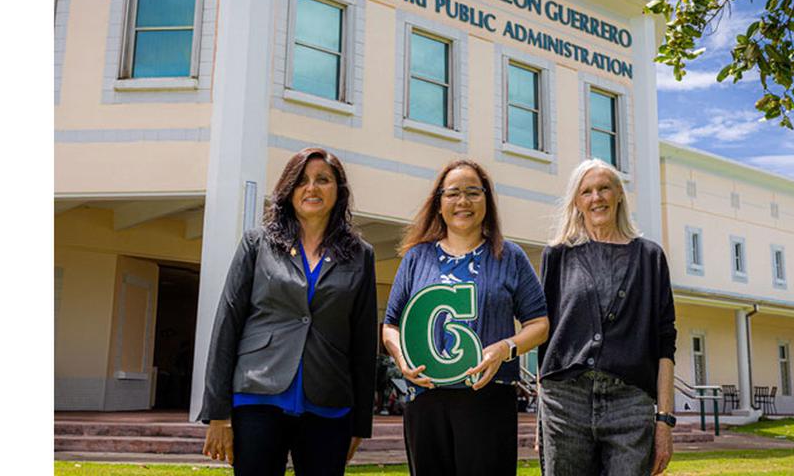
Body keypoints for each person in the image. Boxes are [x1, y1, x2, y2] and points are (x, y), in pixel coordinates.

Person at [198, 148, 377, 476]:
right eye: (301, 181)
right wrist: (218, 414)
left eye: (323, 180)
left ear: (339, 190)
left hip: (330, 403)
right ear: (288, 190)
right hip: (257, 399)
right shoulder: (257, 243)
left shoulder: (360, 255)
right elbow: (227, 323)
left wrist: (360, 424)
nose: (312, 188)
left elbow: (364, 344)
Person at [382, 159, 549, 476]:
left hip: (487, 396)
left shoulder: (509, 256)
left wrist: (504, 349)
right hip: (425, 398)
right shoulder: (417, 257)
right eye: (453, 193)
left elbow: (539, 324)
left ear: (487, 199)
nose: (463, 202)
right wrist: (402, 360)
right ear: (439, 203)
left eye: (473, 192)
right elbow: (390, 325)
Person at [537, 158, 677, 476]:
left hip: (630, 403)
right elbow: (544, 337)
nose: (596, 197)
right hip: (565, 401)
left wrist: (664, 420)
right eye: (586, 191)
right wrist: (541, 419)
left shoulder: (650, 257)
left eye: (604, 188)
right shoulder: (558, 255)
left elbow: (665, 343)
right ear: (577, 202)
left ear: (619, 195)